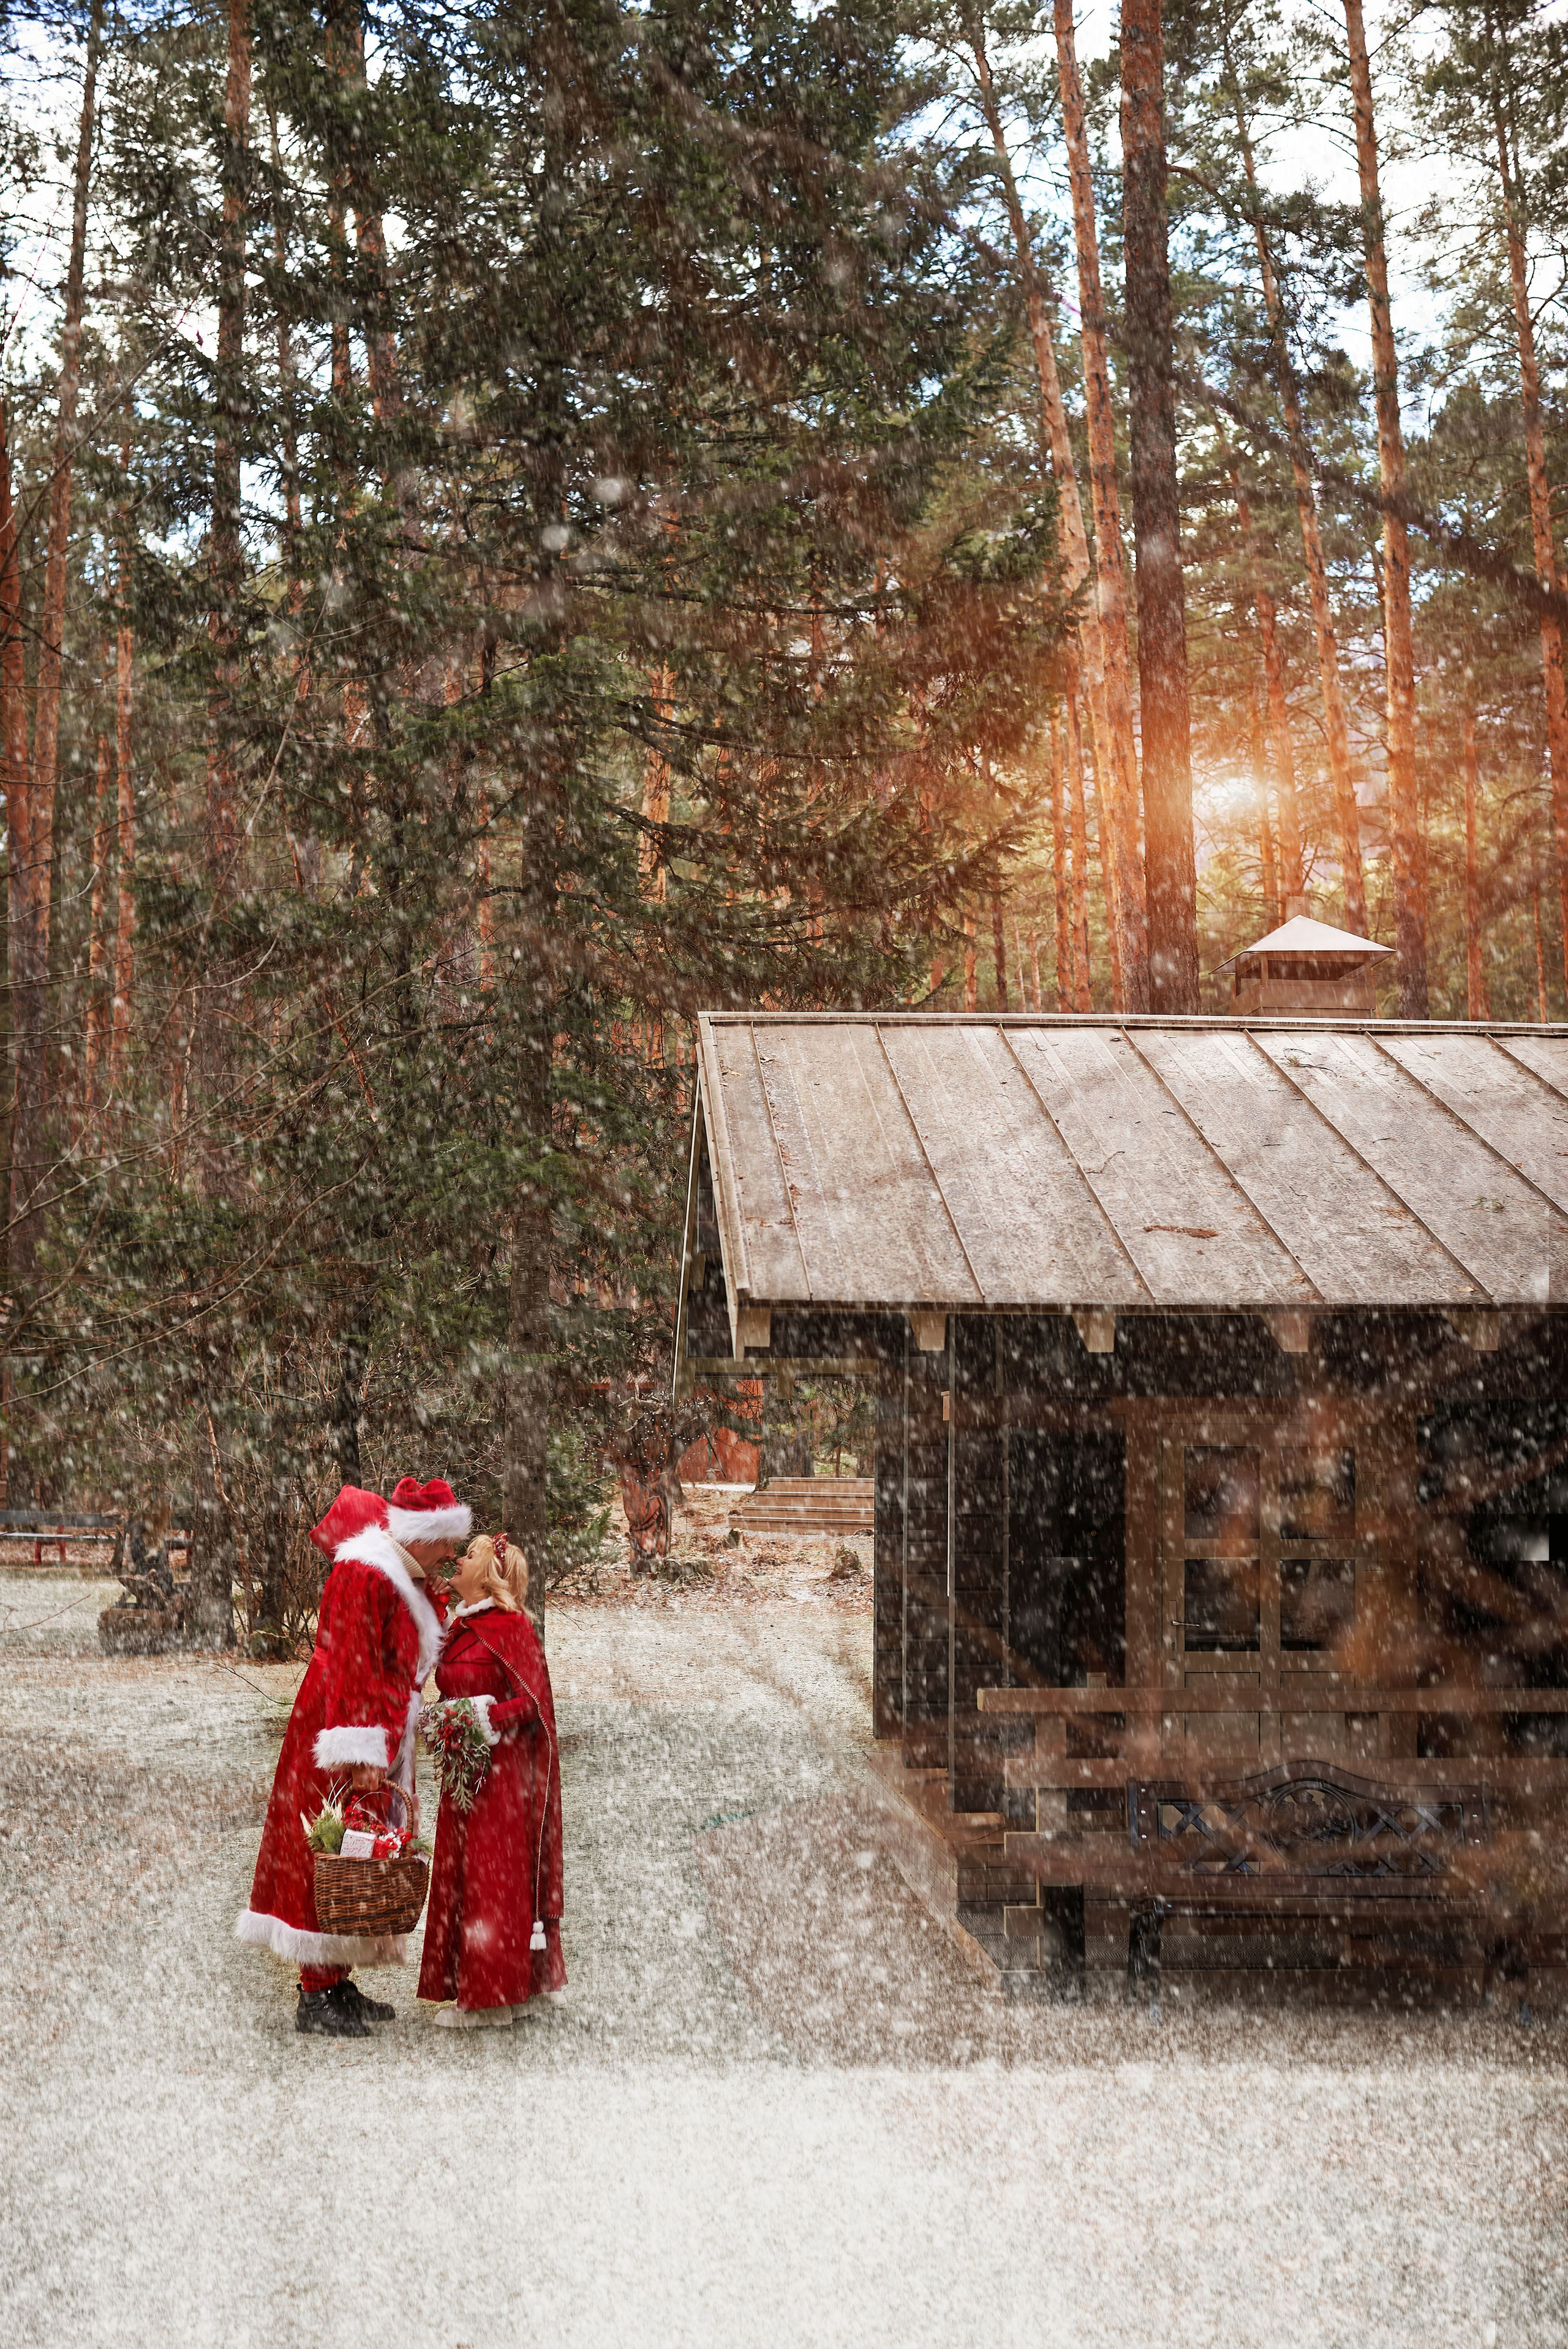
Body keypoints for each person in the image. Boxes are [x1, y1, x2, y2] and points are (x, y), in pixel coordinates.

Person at [236, 1477, 471, 2037]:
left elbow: (401, 1654)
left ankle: (336, 1977)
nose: (451, 1553)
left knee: (357, 1852)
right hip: (342, 1728)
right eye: (446, 1541)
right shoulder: (365, 1571)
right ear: (421, 1536)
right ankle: (315, 1992)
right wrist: (360, 1751)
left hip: (374, 1727)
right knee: (329, 1848)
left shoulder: (399, 1574)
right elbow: (351, 1661)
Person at [418, 1533, 565, 2028]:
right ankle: (504, 1986)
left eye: (469, 1555)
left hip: (502, 1779)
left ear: (488, 1576)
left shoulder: (512, 1627)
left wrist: (482, 1717)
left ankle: (492, 1998)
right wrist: (446, 1719)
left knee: (492, 1881)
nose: (458, 1559)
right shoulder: (460, 1626)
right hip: (465, 1773)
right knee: (469, 1876)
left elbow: (534, 1703)